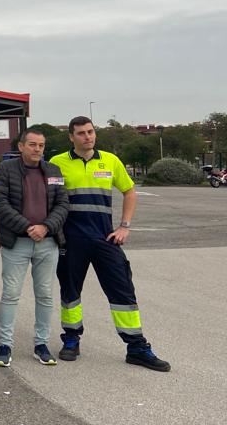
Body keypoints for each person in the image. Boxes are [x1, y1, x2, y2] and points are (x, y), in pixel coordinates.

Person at [50, 117, 170, 371]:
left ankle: (136, 347)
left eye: (91, 132)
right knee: (70, 292)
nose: (87, 137)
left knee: (122, 291)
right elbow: (47, 198)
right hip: (71, 241)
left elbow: (129, 191)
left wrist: (124, 226)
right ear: (71, 137)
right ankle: (71, 339)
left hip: (105, 238)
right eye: (81, 133)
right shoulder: (56, 163)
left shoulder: (110, 161)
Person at [0, 127, 68, 367]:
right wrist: (26, 227)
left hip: (47, 244)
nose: (37, 149)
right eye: (32, 144)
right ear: (21, 146)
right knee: (11, 295)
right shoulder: (6, 169)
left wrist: (45, 227)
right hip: (17, 244)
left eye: (41, 145)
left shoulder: (54, 171)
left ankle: (41, 344)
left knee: (45, 296)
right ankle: (5, 346)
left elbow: (63, 204)